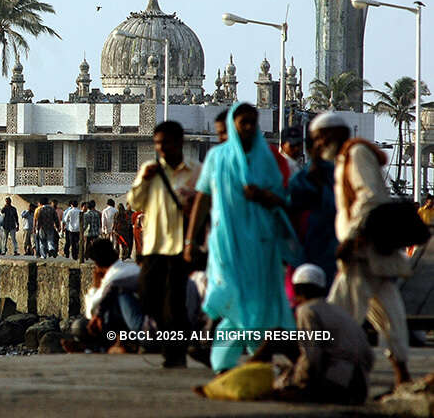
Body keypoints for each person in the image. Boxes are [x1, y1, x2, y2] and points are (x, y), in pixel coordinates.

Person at [185, 102, 301, 374]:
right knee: (226, 293)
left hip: (261, 243)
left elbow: (282, 200)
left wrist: (263, 196)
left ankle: (240, 361)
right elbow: (203, 198)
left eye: (252, 121)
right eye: (242, 122)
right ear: (233, 125)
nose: (248, 127)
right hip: (227, 243)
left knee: (258, 301)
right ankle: (240, 356)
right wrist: (190, 241)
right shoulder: (217, 157)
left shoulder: (267, 158)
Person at [310, 111, 413, 386]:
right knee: (389, 313)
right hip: (367, 253)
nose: (318, 146)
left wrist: (351, 236)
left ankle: (326, 370)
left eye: (319, 139)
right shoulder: (344, 159)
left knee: (337, 313)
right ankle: (401, 371)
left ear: (334, 134)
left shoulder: (355, 155)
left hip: (360, 250)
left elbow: (370, 197)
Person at [129, 120, 201, 368]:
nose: (161, 148)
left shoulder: (195, 171)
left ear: (179, 142)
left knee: (175, 301)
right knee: (148, 296)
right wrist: (143, 182)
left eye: (165, 143)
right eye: (157, 143)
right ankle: (178, 341)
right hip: (154, 245)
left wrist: (193, 200)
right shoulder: (150, 170)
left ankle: (175, 353)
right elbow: (135, 203)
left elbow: (206, 205)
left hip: (181, 246)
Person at [248, 263, 373, 404]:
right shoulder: (337, 310)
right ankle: (248, 372)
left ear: (297, 289)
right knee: (277, 336)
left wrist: (295, 383)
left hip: (339, 388)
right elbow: (368, 357)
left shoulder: (307, 310)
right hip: (359, 386)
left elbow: (312, 357)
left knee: (274, 394)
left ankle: (244, 376)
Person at [287, 121, 340, 291]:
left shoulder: (338, 178)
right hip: (305, 250)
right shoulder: (299, 181)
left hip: (332, 251)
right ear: (310, 150)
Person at [66, 239, 143, 353]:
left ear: (97, 264)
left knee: (80, 326)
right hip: (140, 318)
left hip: (135, 325)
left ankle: (94, 348)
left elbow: (91, 311)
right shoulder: (130, 268)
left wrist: (96, 285)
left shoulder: (114, 277)